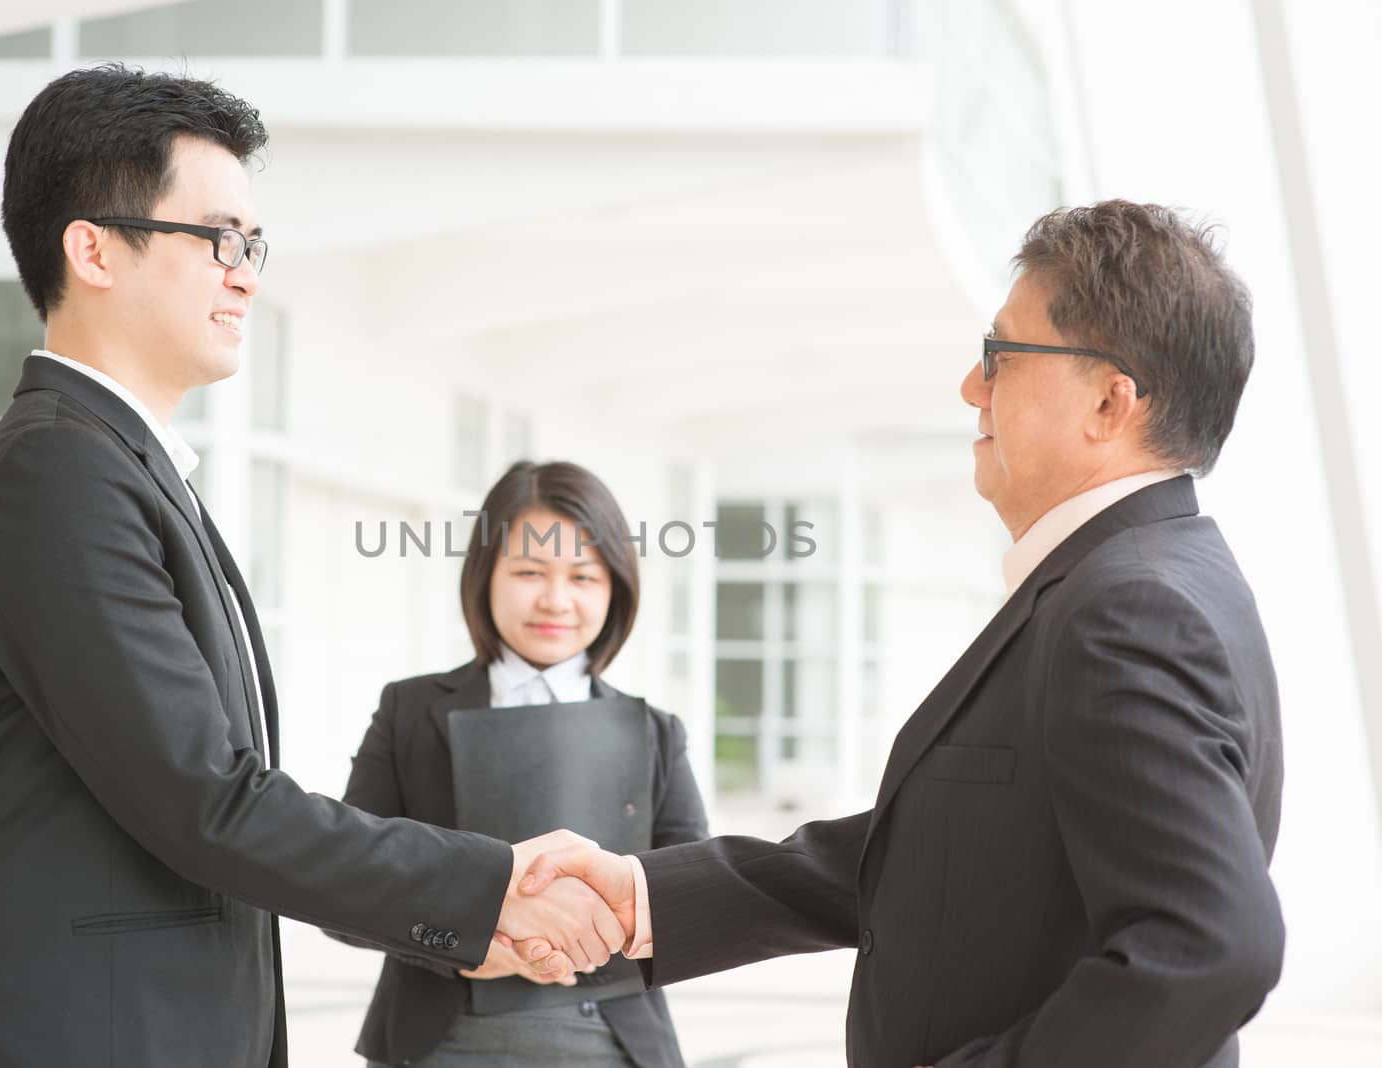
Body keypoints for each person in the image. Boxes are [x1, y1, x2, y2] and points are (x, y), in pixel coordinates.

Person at [0, 65, 621, 1068]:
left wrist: (474, 919)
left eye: (253, 245)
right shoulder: (56, 473)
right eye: (218, 239)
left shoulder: (125, 466)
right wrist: (487, 884)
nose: (245, 272)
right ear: (93, 248)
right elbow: (206, 797)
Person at [517, 200, 1285, 1068]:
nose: (971, 386)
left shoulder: (1130, 608)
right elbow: (956, 849)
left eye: (1000, 355)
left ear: (1110, 402)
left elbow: (1213, 951)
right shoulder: (1139, 576)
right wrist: (646, 893)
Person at [332, 460, 709, 1068]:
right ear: (485, 577)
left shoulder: (656, 732)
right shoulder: (410, 711)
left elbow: (694, 900)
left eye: (583, 576)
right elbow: (342, 886)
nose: (555, 599)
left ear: (615, 588)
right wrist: (461, 943)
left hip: (613, 1043)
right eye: (530, 571)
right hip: (440, 1041)